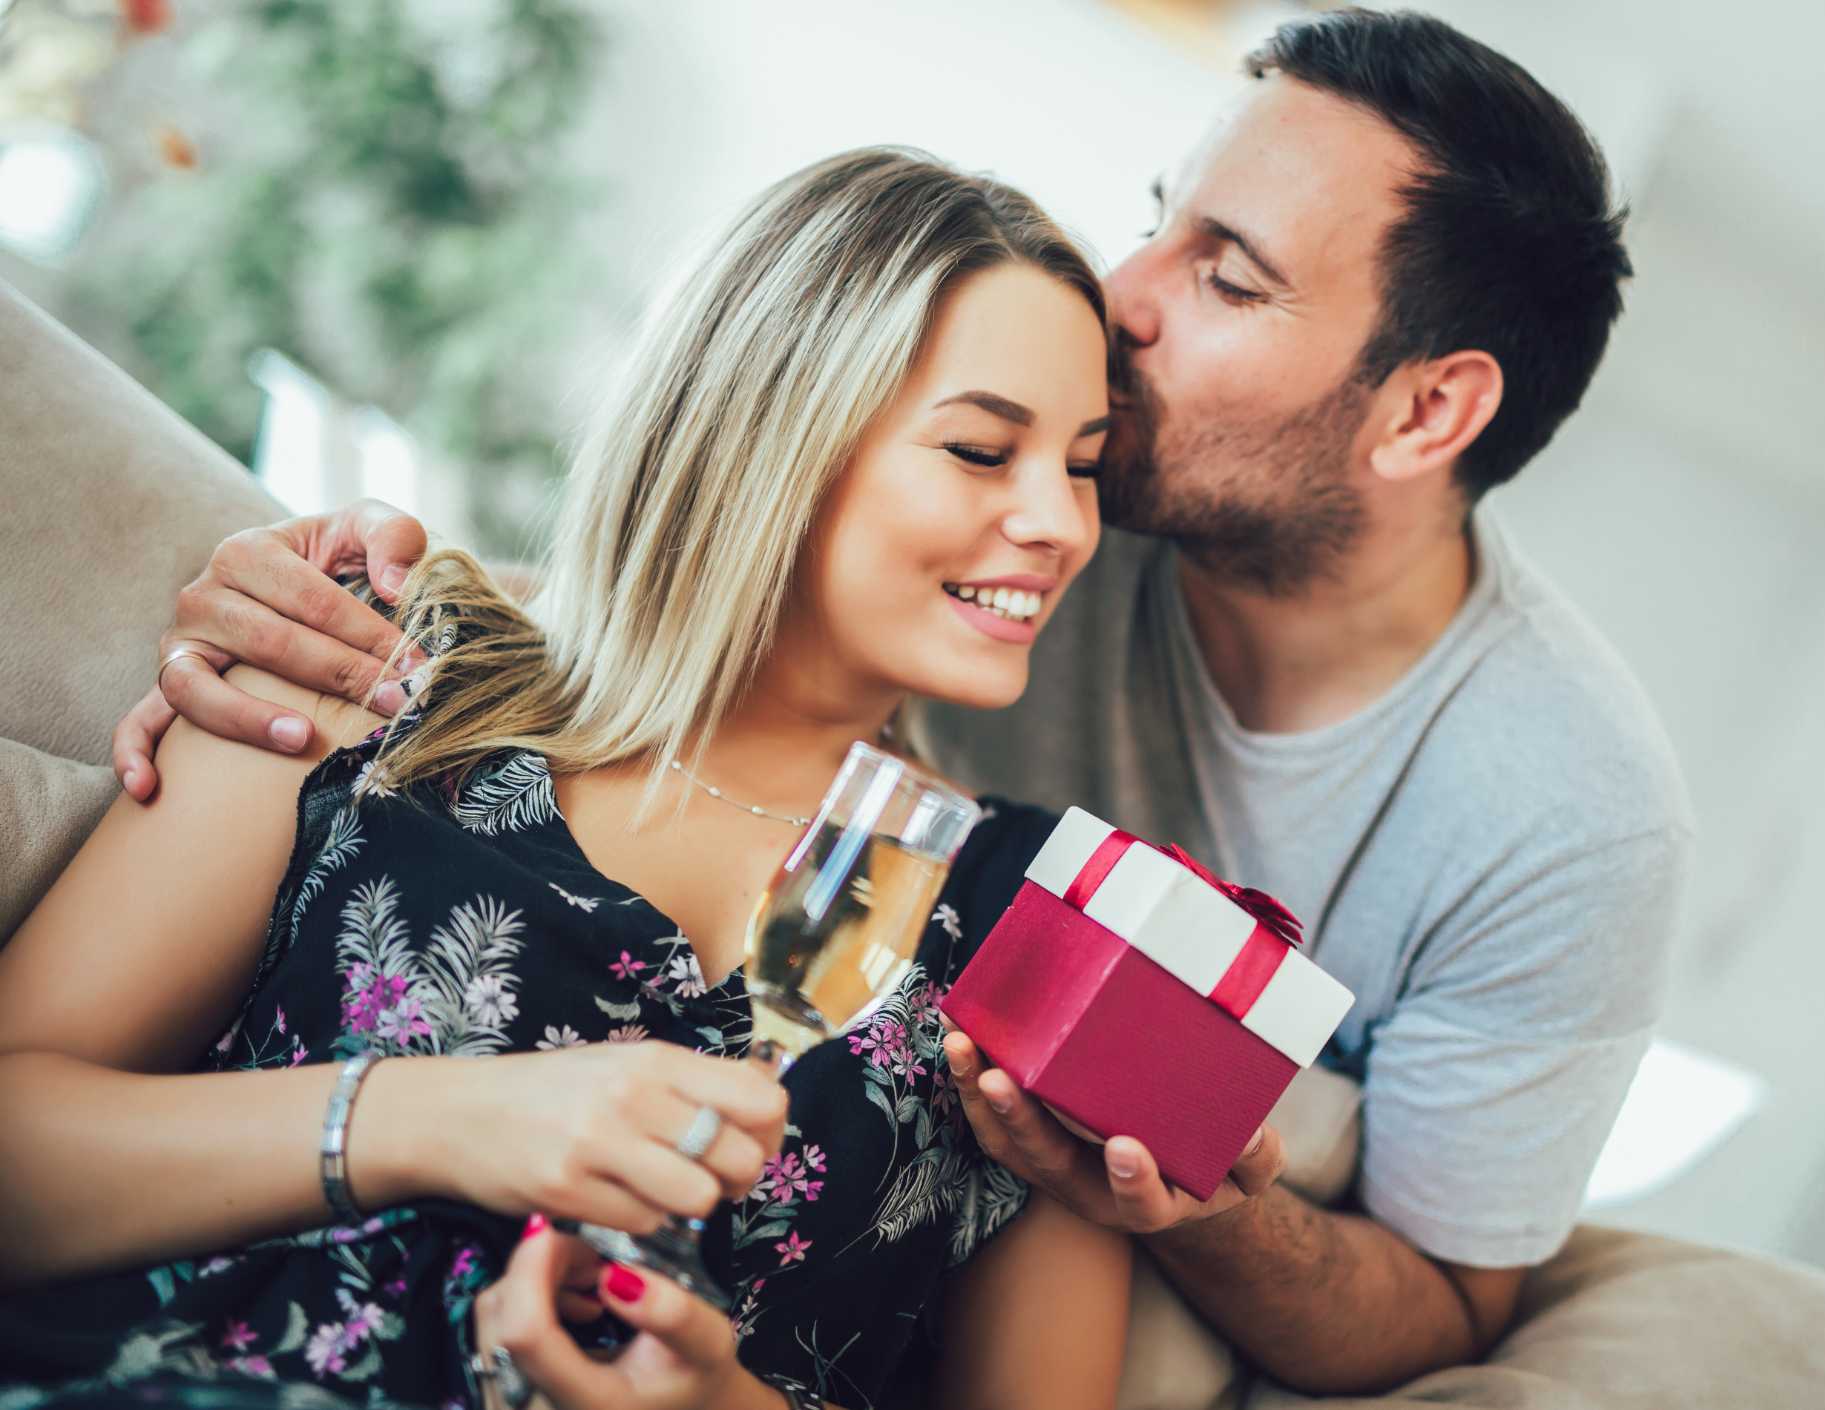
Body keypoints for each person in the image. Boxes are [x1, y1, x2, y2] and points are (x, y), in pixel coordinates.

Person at [115, 8, 1694, 1399]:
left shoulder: (1562, 816)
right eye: (1159, 223)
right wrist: (368, 596)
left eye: (1227, 275)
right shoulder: (398, 674)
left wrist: (1195, 1202)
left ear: (1429, 410)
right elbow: (712, 597)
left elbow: (1447, 1305)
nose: (1125, 296)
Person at [0, 148, 1141, 1410]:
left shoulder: (1053, 929)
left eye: (1083, 465)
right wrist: (442, 1121)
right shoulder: (370, 660)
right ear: (765, 432)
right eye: (981, 449)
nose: (1061, 524)